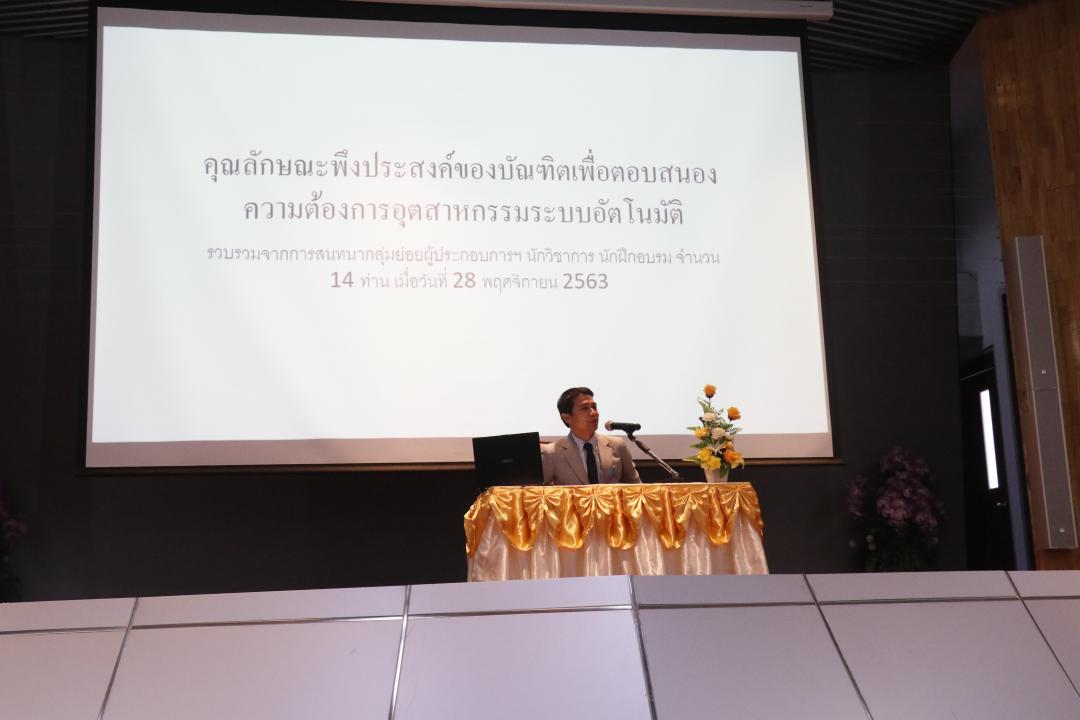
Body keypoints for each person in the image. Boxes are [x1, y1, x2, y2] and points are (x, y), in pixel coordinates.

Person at [542, 387, 641, 485]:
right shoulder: (552, 452)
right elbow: (540, 492)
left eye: (594, 407)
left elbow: (635, 485)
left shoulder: (617, 445)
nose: (594, 413)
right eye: (585, 408)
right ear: (566, 417)